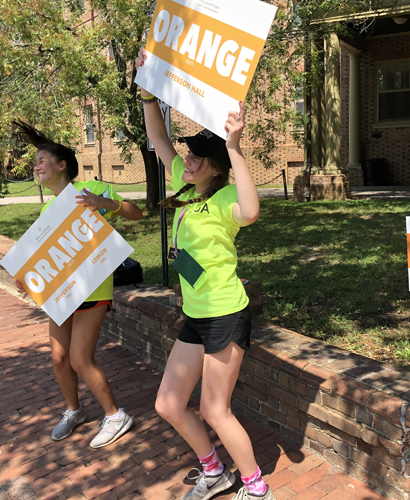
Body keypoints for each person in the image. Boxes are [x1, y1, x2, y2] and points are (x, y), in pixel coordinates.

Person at [136, 49, 274, 500]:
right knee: (168, 404)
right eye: (188, 154)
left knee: (216, 409)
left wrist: (234, 146)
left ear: (215, 164)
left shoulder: (223, 199)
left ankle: (256, 488)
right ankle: (214, 472)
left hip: (225, 314)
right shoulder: (182, 181)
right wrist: (148, 92)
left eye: (197, 156)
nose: (187, 159)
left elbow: (251, 212)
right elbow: (158, 138)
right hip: (196, 314)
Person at [13, 121, 143, 448]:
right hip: (62, 294)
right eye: (36, 162)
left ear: (61, 165)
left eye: (42, 160)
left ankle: (116, 415)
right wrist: (28, 278)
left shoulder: (92, 189)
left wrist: (107, 204)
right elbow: (48, 257)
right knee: (59, 359)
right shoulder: (47, 209)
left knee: (79, 359)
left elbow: (136, 214)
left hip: (93, 289)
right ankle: (74, 410)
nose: (36, 166)